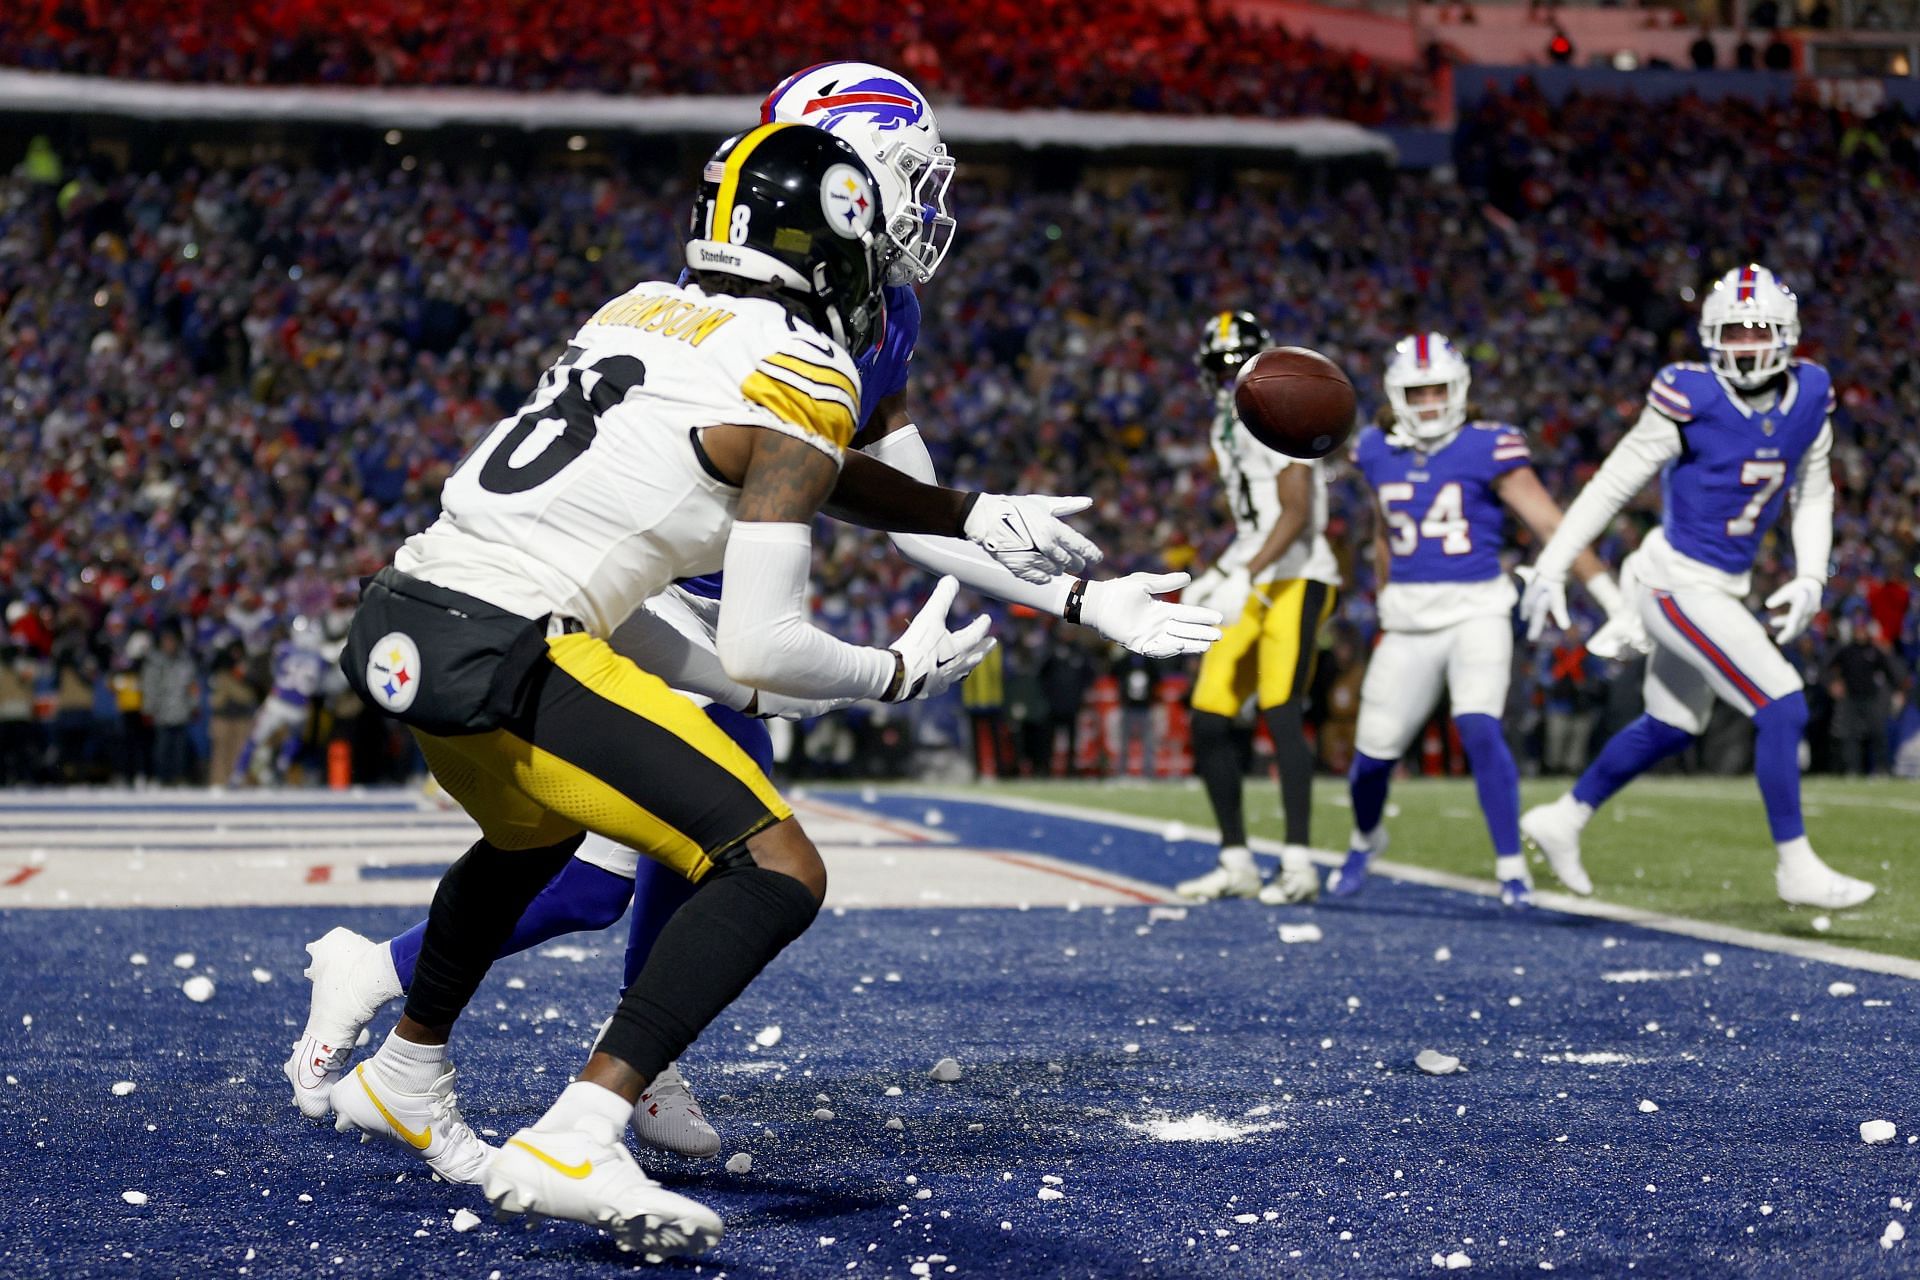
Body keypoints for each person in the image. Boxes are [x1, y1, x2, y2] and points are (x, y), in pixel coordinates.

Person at [287, 61, 1221, 1162]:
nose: (927, 198)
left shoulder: (864, 302)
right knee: (721, 854)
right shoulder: (774, 317)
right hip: (661, 575)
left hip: (651, 571)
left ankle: (447, 1017)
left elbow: (910, 506)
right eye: (909, 170)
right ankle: (585, 1068)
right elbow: (856, 501)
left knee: (596, 863)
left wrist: (1078, 591)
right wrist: (908, 654)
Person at [1519, 265, 1875, 910]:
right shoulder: (1690, 396)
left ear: (1786, 335)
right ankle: (1796, 866)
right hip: (1673, 585)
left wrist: (1811, 576)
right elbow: (1613, 482)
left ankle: (1563, 818)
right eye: (1730, 333)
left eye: (1756, 331)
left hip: (1720, 585)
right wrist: (1553, 563)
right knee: (1784, 703)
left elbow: (1815, 490)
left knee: (1674, 722)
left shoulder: (1811, 394)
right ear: (1710, 337)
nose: (1743, 345)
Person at [1330, 334, 1630, 905]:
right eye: (1416, 392)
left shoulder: (1489, 446)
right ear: (1396, 395)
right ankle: (1366, 838)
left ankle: (1510, 865)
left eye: (1438, 389)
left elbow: (1552, 525)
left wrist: (1611, 601)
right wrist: (1386, 590)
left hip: (1478, 609)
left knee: (1479, 726)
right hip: (1410, 620)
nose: (1428, 403)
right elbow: (1382, 530)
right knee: (1371, 758)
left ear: (1461, 389)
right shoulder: (1372, 449)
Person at [1177, 311, 1341, 905]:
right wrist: (1224, 570)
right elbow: (1259, 521)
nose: (1226, 379)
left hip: (1298, 576)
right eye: (1218, 368)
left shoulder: (1283, 408)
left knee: (1280, 708)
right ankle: (1236, 860)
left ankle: (1299, 864)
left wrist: (1240, 572)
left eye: (1234, 365)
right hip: (1255, 573)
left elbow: (1294, 513)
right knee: (1209, 714)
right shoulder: (1226, 426)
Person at [140, 622, 200, 785]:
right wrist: (148, 708)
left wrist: (194, 705)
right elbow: (149, 687)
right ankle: (162, 778)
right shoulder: (155, 662)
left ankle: (178, 778)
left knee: (180, 750)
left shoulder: (185, 662)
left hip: (181, 711)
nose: (169, 644)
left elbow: (192, 686)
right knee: (161, 749)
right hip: (162, 712)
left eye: (171, 640)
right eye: (166, 641)